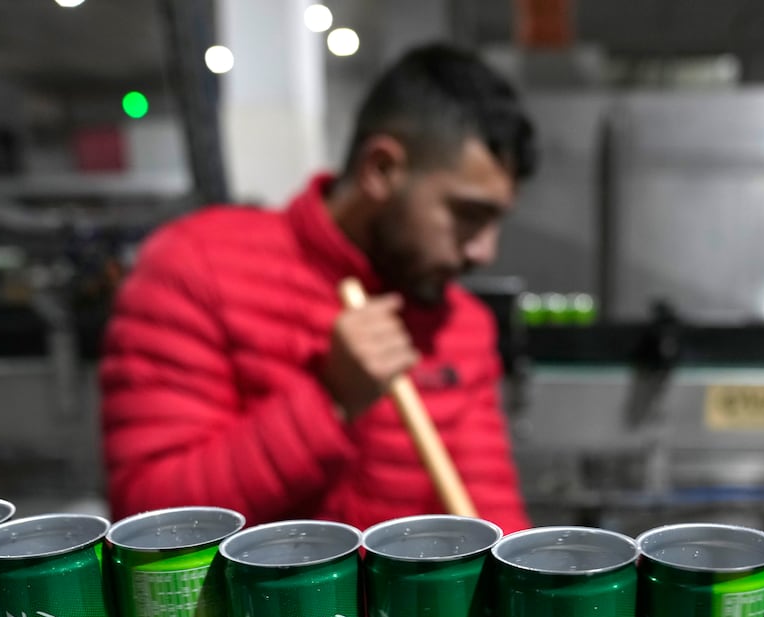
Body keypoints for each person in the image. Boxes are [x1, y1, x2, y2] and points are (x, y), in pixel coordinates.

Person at [100, 44, 534, 533]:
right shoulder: (195, 267)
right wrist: (330, 397)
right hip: (250, 611)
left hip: (403, 612)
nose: (483, 252)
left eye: (496, 221)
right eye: (468, 215)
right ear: (381, 169)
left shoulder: (461, 323)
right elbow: (149, 521)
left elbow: (493, 518)